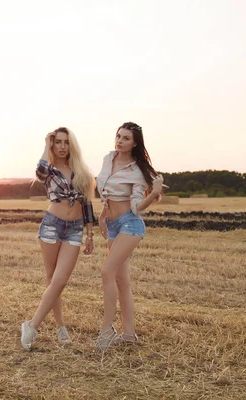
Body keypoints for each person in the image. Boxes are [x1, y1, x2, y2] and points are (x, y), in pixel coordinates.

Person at [20, 127, 96, 351]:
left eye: (66, 142)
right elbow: (40, 170)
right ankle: (60, 326)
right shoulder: (49, 170)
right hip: (52, 226)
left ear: (72, 145)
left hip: (74, 229)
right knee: (53, 280)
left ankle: (31, 325)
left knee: (60, 280)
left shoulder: (81, 171)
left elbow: (88, 203)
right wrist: (46, 144)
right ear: (53, 145)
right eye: (58, 142)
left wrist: (89, 233)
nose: (62, 146)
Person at [95, 122, 164, 350]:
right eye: (118, 136)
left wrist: (153, 194)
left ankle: (106, 330)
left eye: (125, 138)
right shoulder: (108, 159)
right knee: (121, 280)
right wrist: (104, 214)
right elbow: (105, 189)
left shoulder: (137, 170)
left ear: (135, 143)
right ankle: (129, 334)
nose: (120, 140)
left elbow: (137, 207)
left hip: (130, 224)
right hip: (113, 224)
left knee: (107, 271)